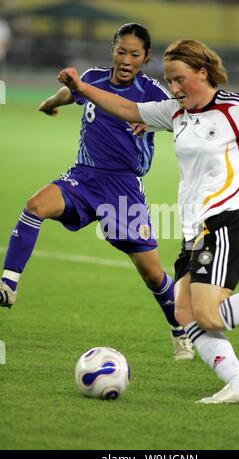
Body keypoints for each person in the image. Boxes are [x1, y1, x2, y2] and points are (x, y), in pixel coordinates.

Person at [56, 38, 239, 404]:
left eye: (180, 79)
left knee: (207, 315)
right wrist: (81, 88)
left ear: (203, 73)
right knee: (185, 314)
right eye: (169, 80)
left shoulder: (237, 109)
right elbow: (126, 108)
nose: (174, 88)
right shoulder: (175, 113)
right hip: (193, 233)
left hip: (223, 224)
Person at [0, 24, 194, 361]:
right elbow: (74, 93)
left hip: (123, 190)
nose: (126, 59)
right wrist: (49, 102)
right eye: (121, 51)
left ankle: (180, 331)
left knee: (151, 272)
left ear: (145, 57)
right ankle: (8, 283)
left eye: (135, 54)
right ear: (113, 50)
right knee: (35, 205)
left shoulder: (152, 93)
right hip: (83, 179)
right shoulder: (94, 77)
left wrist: (152, 122)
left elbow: (183, 116)